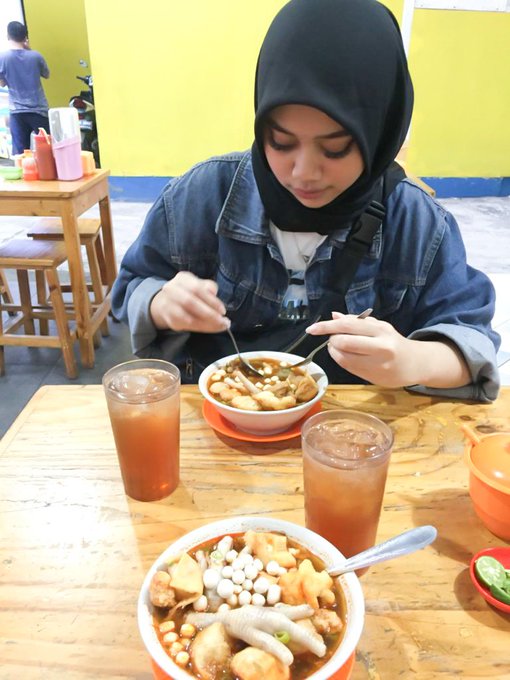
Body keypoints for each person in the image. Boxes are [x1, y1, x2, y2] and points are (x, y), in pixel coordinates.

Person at [112, 0, 500, 402]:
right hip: (215, 426)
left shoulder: (416, 222)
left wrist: (415, 360)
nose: (303, 173)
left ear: (380, 132)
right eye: (281, 142)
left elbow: (472, 341)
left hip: (351, 429)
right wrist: (160, 302)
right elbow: (130, 289)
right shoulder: (203, 195)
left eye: (335, 148)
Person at [0, 20, 50, 155]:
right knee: (47, 149)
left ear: (8, 36)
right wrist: (29, 50)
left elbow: (2, 83)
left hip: (17, 112)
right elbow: (46, 74)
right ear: (25, 37)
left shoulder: (3, 58)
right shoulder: (36, 56)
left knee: (21, 154)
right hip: (39, 110)